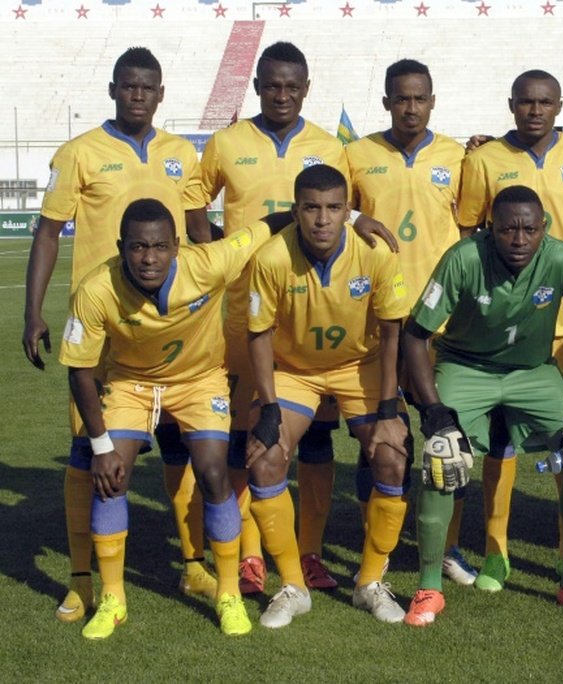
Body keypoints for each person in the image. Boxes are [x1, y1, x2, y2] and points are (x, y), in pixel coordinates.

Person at [22, 46, 214, 624]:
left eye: (147, 87)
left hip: (176, 329)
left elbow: (201, 233)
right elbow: (50, 232)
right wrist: (33, 311)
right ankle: (83, 579)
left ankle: (195, 561)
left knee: (185, 443)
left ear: (161, 95)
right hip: (104, 330)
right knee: (89, 451)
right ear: (113, 90)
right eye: (128, 86)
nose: (138, 95)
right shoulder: (79, 153)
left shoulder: (183, 155)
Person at [200, 41, 391, 595]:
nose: (281, 94)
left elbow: (339, 204)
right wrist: (225, 256)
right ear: (257, 85)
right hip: (248, 316)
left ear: (306, 89)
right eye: (271, 84)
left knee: (316, 442)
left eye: (292, 86)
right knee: (250, 437)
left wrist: (360, 219)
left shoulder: (329, 144)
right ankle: (252, 555)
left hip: (318, 319)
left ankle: (307, 552)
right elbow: (194, 206)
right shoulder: (226, 141)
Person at [57, 198, 288, 638]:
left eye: (160, 247)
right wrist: (102, 447)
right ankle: (113, 598)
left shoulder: (211, 261)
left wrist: (354, 218)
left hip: (200, 382)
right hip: (130, 384)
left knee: (214, 473)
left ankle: (227, 594)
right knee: (111, 476)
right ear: (121, 246)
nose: (149, 258)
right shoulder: (95, 288)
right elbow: (80, 372)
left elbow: (271, 222)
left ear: (177, 246)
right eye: (139, 247)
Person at [402, 185, 563, 627]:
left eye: (529, 230)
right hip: (465, 367)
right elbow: (415, 333)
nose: (519, 240)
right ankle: (428, 587)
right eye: (508, 229)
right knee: (443, 456)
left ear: (545, 229)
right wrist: (435, 412)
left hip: (533, 371)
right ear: (489, 228)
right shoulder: (464, 257)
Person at [456, 70, 563, 591]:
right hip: (509, 327)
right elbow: (469, 235)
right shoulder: (483, 159)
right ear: (511, 104)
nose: (535, 111)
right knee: (499, 438)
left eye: (545, 102)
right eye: (526, 101)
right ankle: (496, 552)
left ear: (559, 105)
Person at [245, 164, 411, 626]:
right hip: (295, 371)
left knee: (393, 454)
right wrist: (268, 407)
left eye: (334, 208)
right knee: (264, 456)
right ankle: (293, 586)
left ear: (347, 210)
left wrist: (387, 408)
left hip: (360, 367)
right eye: (312, 208)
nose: (322, 219)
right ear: (295, 210)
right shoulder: (271, 258)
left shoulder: (374, 253)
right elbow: (257, 335)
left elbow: (393, 330)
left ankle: (370, 582)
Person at [345, 58, 474, 585]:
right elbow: (328, 213)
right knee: (379, 436)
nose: (411, 107)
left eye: (420, 98)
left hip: (444, 323)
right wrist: (356, 218)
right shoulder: (356, 155)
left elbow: (472, 227)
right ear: (386, 102)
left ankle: (448, 546)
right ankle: (375, 539)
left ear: (433, 101)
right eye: (401, 98)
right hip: (377, 321)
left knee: (449, 435)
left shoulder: (460, 157)